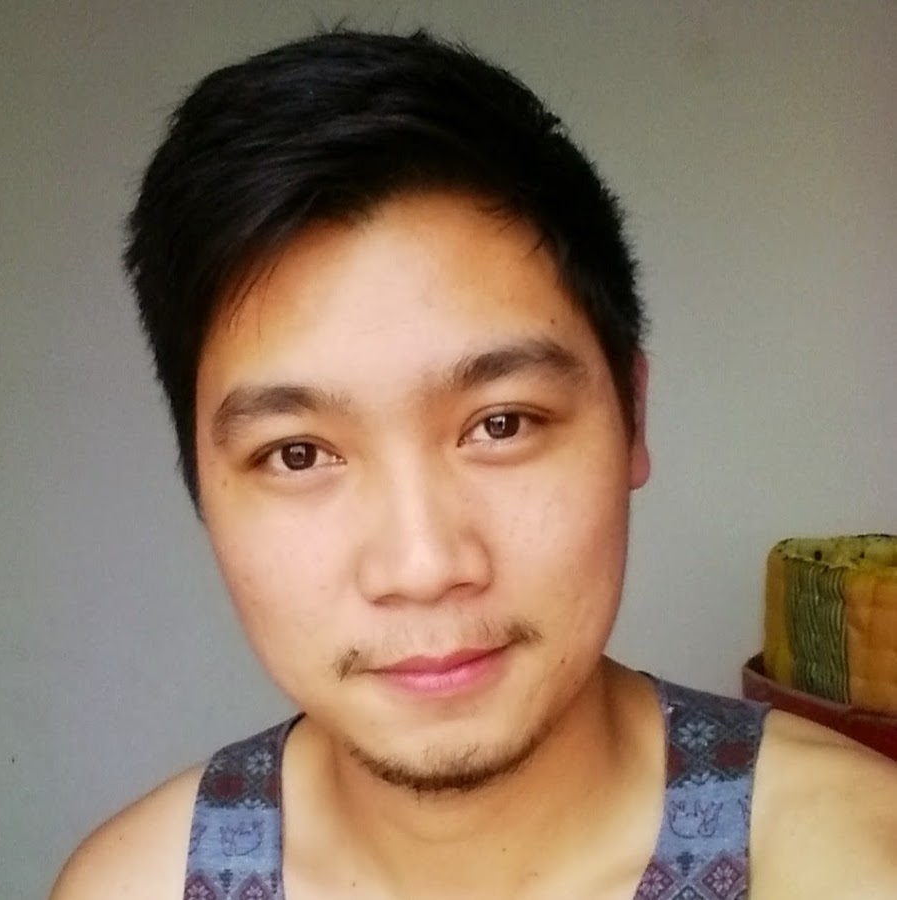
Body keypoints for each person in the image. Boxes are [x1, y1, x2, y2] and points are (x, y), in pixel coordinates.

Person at [51, 29, 897, 900]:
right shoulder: (130, 887)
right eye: (298, 453)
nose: (423, 567)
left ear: (632, 416)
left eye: (501, 424)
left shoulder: (858, 862)